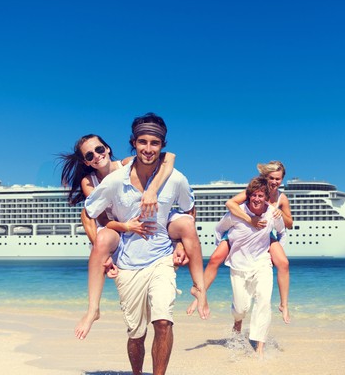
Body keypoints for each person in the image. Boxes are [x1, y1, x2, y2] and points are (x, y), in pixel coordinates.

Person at [84, 113, 208, 375]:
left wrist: (182, 245)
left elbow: (190, 209)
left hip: (161, 258)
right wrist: (104, 249)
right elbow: (90, 211)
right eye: (143, 142)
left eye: (155, 143)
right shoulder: (114, 181)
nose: (148, 149)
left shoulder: (175, 179)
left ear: (162, 145)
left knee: (163, 321)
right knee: (136, 335)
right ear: (133, 143)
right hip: (128, 264)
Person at [60, 134, 177, 340]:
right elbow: (103, 219)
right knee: (99, 232)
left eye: (99, 149)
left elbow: (169, 157)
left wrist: (152, 190)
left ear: (107, 148)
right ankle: (93, 310)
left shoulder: (126, 164)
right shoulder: (89, 181)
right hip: (116, 228)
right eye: (89, 155)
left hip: (137, 225)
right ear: (86, 162)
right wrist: (126, 226)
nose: (96, 156)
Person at [188, 160, 293, 324]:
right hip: (241, 231)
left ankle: (284, 305)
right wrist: (250, 219)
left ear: (282, 179)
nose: (274, 182)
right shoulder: (253, 191)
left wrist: (280, 212)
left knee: (284, 263)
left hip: (264, 233)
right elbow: (230, 203)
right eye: (271, 178)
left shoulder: (282, 198)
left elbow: (290, 224)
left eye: (278, 179)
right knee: (215, 259)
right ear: (266, 177)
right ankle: (199, 295)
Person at [215, 176, 285, 356]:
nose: (256, 199)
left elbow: (281, 231)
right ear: (248, 196)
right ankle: (237, 322)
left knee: (263, 301)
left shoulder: (272, 213)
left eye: (260, 196)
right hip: (238, 265)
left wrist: (274, 248)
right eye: (253, 195)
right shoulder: (236, 213)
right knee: (241, 309)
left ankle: (259, 348)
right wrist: (224, 245)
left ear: (266, 197)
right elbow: (219, 229)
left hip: (262, 264)